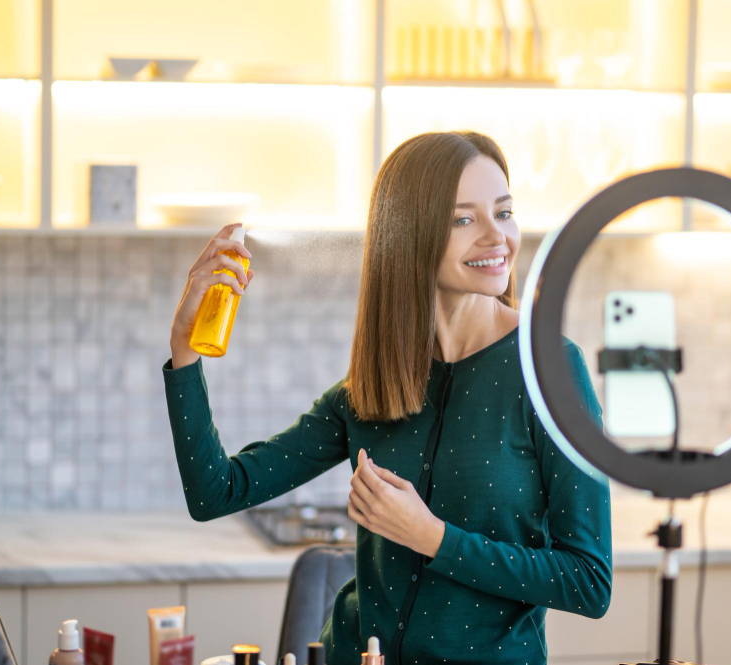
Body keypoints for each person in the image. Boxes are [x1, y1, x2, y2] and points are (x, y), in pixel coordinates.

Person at [163, 131, 611, 665]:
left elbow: (589, 582)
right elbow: (216, 492)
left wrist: (433, 538)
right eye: (462, 219)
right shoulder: (377, 380)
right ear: (408, 236)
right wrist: (184, 351)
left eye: (504, 211)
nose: (498, 238)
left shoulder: (549, 370)